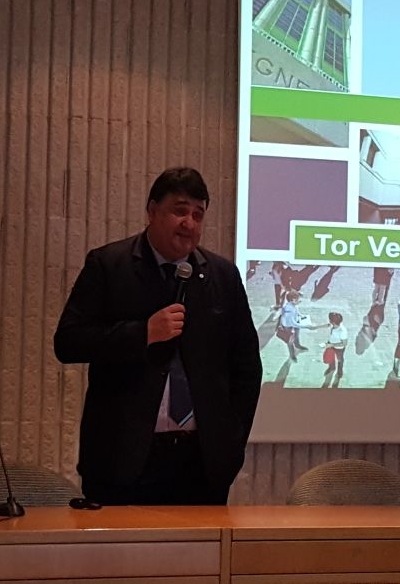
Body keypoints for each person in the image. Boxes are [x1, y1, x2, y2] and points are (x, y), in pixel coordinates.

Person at [54, 167, 262, 506]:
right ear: (152, 211)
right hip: (123, 460)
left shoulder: (222, 276)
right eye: (180, 211)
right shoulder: (109, 265)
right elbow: (68, 342)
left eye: (198, 214)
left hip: (201, 463)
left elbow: (247, 368)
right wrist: (142, 333)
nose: (189, 223)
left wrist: (230, 441)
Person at [321, 312, 348, 382]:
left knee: (340, 360)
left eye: (330, 320)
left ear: (333, 322)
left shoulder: (342, 331)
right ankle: (332, 367)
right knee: (331, 357)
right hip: (330, 344)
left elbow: (344, 343)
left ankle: (339, 372)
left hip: (339, 348)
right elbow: (328, 325)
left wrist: (332, 345)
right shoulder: (334, 325)